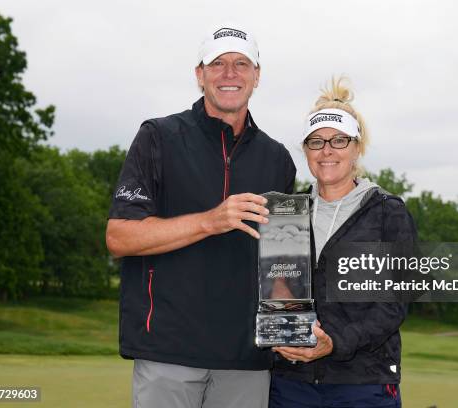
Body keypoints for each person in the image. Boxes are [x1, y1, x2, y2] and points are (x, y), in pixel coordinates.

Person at [105, 23, 296, 408]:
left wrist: (290, 330)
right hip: (167, 353)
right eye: (218, 64)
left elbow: (282, 266)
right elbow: (120, 237)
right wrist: (211, 220)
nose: (230, 74)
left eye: (242, 64)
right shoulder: (158, 136)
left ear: (257, 76)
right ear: (200, 75)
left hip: (246, 360)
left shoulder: (278, 160)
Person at [270, 77, 417, 408]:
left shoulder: (386, 212)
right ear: (305, 149)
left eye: (339, 140)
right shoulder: (285, 213)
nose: (327, 151)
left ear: (356, 146)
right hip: (292, 382)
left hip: (364, 382)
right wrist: (283, 330)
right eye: (316, 141)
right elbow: (278, 289)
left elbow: (394, 304)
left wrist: (334, 342)